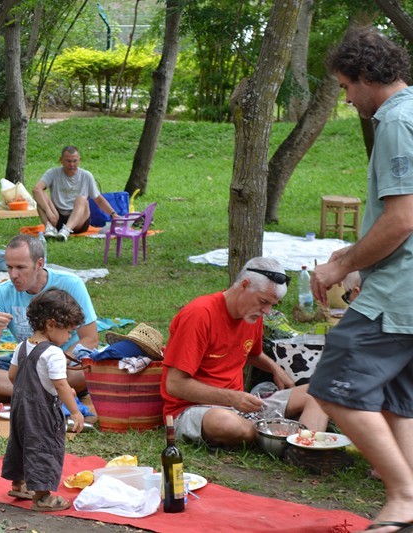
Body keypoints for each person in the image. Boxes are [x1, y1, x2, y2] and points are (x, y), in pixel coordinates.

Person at [308, 27, 413, 533]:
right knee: (397, 400)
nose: (347, 99)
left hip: (400, 291)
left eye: (346, 87)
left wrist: (341, 266)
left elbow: (402, 219)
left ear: (367, 75)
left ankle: (404, 496)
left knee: (334, 383)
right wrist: (355, 257)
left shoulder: (396, 120)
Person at [161, 257, 328, 447]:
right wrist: (232, 398)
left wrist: (275, 368)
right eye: (263, 301)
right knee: (227, 423)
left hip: (241, 407)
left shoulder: (252, 315)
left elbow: (252, 353)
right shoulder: (199, 314)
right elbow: (175, 384)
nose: (267, 311)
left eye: (273, 304)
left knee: (319, 393)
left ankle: (305, 449)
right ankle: (282, 436)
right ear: (244, 285)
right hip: (193, 409)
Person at [0, 234, 99, 403]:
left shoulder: (71, 284)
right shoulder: (3, 292)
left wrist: (57, 362)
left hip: (64, 364)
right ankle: (48, 393)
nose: (13, 275)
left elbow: (90, 339)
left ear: (39, 264)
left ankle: (8, 393)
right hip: (26, 363)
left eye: (20, 267)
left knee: (89, 371)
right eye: (9, 267)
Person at [1, 288, 84, 512]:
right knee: (43, 447)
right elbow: (61, 385)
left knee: (20, 443)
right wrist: (75, 411)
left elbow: (12, 376)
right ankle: (42, 497)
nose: (69, 337)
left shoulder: (22, 346)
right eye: (69, 331)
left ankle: (19, 484)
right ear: (51, 324)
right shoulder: (54, 353)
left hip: (20, 408)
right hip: (41, 412)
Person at [32, 146, 119, 241]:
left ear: (79, 160)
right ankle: (50, 228)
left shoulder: (86, 175)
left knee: (82, 199)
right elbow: (36, 190)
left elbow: (98, 199)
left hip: (79, 220)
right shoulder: (52, 173)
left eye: (74, 161)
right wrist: (48, 211)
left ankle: (66, 230)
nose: (71, 164)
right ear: (61, 160)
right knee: (40, 196)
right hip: (56, 217)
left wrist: (113, 214)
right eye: (68, 161)